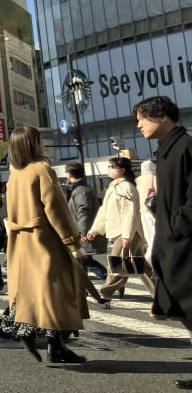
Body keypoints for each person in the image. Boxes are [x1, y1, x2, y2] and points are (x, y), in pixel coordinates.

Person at [0, 126, 87, 364]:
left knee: (32, 292)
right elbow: (57, 209)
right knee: (58, 292)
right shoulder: (41, 169)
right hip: (45, 240)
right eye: (40, 140)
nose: (43, 145)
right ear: (33, 144)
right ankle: (52, 343)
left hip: (20, 241)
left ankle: (47, 341)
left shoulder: (15, 173)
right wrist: (72, 241)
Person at [133, 96, 192, 389]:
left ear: (160, 116)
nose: (139, 125)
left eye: (142, 118)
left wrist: (179, 226)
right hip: (172, 241)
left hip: (185, 244)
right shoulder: (166, 150)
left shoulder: (185, 147)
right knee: (183, 306)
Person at [87, 156, 155, 306]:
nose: (109, 169)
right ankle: (161, 293)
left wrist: (126, 235)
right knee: (139, 266)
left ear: (122, 170)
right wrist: (95, 230)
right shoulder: (114, 186)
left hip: (126, 233)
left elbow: (129, 213)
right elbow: (104, 211)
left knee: (116, 264)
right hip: (119, 231)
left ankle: (106, 292)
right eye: (109, 166)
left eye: (112, 167)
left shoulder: (126, 188)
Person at [65, 162, 108, 280]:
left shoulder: (80, 190)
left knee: (82, 261)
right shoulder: (81, 188)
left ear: (69, 174)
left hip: (82, 231)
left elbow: (84, 212)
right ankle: (105, 280)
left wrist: (82, 232)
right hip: (82, 229)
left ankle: (105, 281)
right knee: (85, 261)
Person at [137, 160, 158, 258]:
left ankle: (150, 257)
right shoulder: (154, 178)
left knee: (149, 237)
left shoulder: (137, 180)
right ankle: (150, 258)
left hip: (142, 211)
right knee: (155, 235)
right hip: (152, 210)